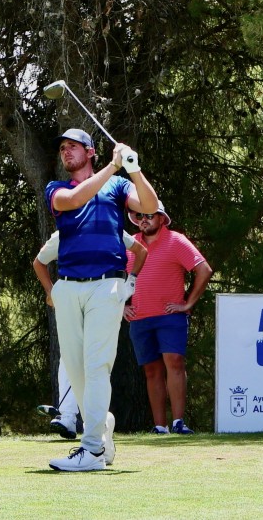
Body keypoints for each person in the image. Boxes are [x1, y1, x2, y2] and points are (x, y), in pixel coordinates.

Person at [45, 128, 158, 471]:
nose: (66, 152)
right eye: (63, 147)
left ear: (90, 151)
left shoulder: (119, 185)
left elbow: (150, 207)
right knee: (77, 370)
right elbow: (75, 200)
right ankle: (102, 426)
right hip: (68, 286)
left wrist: (133, 168)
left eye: (73, 147)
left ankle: (92, 450)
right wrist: (113, 166)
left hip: (106, 286)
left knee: (97, 366)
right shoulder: (57, 189)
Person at [33, 229, 147, 446]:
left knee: (96, 363)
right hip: (71, 298)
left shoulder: (110, 226)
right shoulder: (61, 234)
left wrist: (130, 282)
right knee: (71, 358)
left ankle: (93, 427)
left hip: (104, 298)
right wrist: (50, 292)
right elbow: (39, 262)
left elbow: (140, 251)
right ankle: (75, 419)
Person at [124, 201, 212, 434]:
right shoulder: (130, 244)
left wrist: (188, 303)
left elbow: (204, 269)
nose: (144, 219)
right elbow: (114, 277)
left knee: (174, 363)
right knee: (151, 371)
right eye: (140, 215)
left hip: (170, 316)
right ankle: (160, 427)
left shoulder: (176, 240)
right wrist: (122, 306)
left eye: (150, 215)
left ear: (161, 218)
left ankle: (178, 423)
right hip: (140, 318)